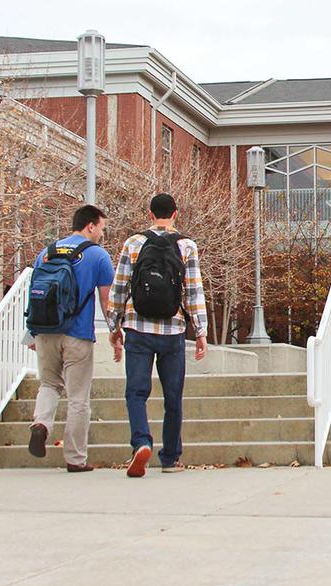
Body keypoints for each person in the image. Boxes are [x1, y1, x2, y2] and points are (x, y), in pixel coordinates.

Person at [107, 193, 208, 477]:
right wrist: (201, 331)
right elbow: (192, 291)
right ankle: (171, 458)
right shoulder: (186, 245)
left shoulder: (134, 243)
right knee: (173, 395)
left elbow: (120, 287)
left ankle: (141, 442)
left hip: (137, 327)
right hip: (173, 329)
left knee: (136, 392)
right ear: (176, 213)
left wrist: (114, 326)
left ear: (149, 214)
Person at [26, 205, 115, 472]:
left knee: (49, 384)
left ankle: (41, 423)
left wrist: (31, 332)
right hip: (77, 334)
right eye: (101, 227)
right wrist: (115, 331)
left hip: (45, 331)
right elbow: (106, 299)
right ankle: (75, 458)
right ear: (90, 226)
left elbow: (35, 293)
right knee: (78, 397)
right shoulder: (98, 256)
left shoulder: (47, 251)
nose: (101, 233)